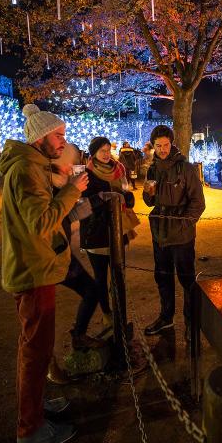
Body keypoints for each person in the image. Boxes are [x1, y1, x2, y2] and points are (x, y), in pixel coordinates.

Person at [0, 104, 88, 443]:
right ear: (40, 138)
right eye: (59, 136)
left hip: (35, 267)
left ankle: (35, 407)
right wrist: (71, 190)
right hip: (32, 271)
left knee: (36, 347)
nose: (63, 142)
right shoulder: (25, 171)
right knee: (36, 349)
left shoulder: (32, 167)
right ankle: (29, 428)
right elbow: (41, 222)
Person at [142, 125, 205, 338]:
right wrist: (148, 194)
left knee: (187, 280)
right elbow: (149, 201)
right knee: (162, 277)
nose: (162, 149)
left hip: (182, 236)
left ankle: (190, 323)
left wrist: (184, 224)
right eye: (158, 146)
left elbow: (198, 202)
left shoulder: (186, 168)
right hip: (159, 233)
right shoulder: (152, 169)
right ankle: (166, 318)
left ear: (172, 143)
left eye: (166, 145)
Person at [51, 145, 106, 351]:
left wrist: (99, 200)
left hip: (60, 253)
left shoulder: (59, 184)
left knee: (91, 290)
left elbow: (68, 215)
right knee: (42, 314)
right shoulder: (46, 184)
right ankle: (48, 365)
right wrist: (74, 190)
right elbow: (49, 219)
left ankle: (79, 336)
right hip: (47, 256)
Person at [80, 137, 136, 328]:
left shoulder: (118, 169)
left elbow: (126, 191)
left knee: (119, 274)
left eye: (107, 150)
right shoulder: (87, 173)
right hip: (96, 232)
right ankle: (106, 313)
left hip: (119, 229)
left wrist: (127, 198)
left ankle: (120, 311)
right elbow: (83, 204)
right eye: (101, 151)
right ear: (93, 153)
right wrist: (105, 199)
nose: (106, 154)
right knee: (101, 277)